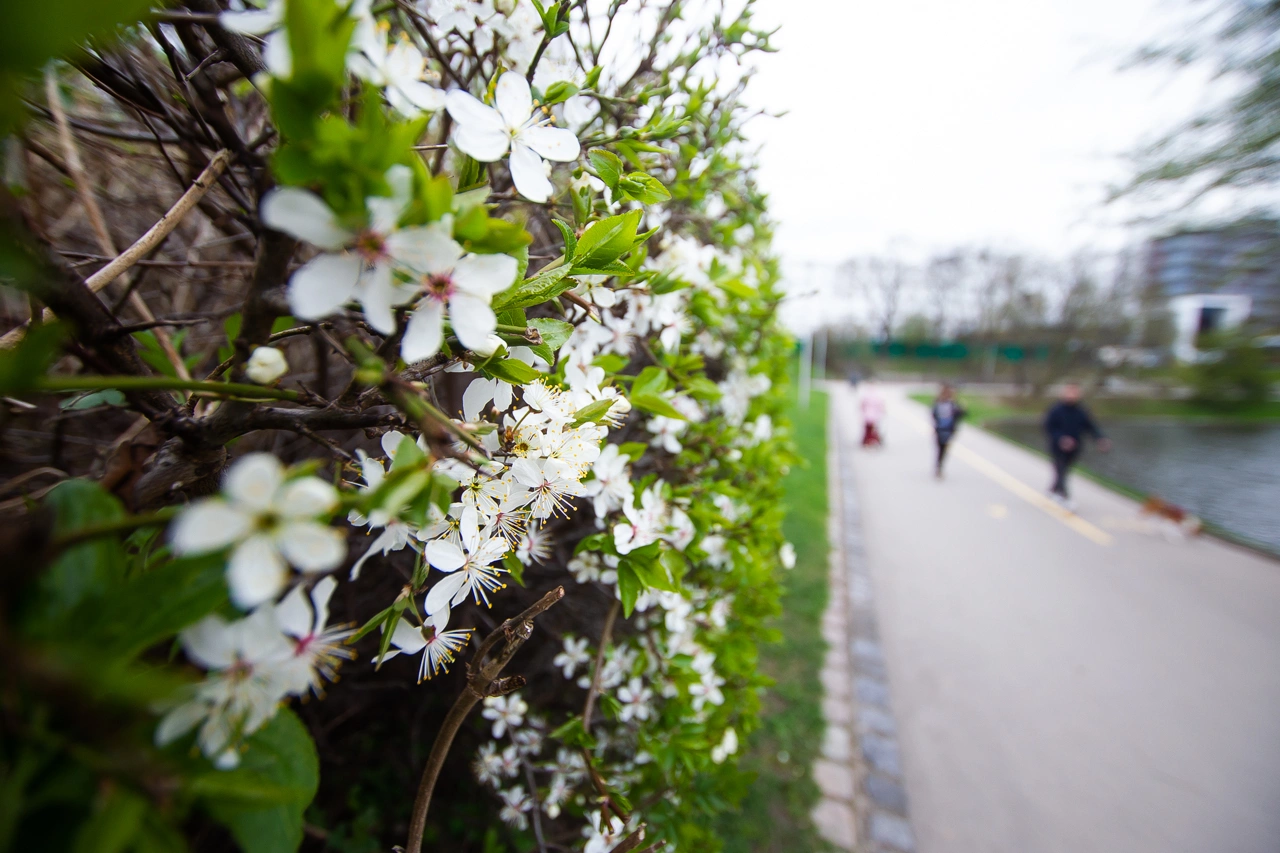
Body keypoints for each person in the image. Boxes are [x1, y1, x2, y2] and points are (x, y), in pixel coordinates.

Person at [1043, 383, 1111, 507]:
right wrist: (1061, 439)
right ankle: (1065, 497)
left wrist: (1100, 439)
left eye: (1074, 393)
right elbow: (1049, 427)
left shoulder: (1081, 411)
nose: (1072, 395)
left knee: (1065, 471)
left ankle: (1053, 490)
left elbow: (1091, 427)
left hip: (1074, 447)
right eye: (1069, 392)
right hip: (1058, 447)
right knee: (1061, 469)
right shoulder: (1056, 410)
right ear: (1064, 394)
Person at [930, 384, 966, 478]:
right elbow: (933, 415)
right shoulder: (938, 404)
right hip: (939, 429)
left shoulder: (953, 405)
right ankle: (938, 466)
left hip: (949, 430)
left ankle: (940, 466)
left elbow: (961, 414)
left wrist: (961, 408)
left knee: (944, 448)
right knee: (940, 448)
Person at [860, 380, 885, 447]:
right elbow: (881, 405)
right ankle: (870, 440)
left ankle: (868, 440)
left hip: (869, 414)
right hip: (873, 414)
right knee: (872, 428)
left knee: (869, 428)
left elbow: (862, 404)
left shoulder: (867, 394)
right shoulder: (877, 395)